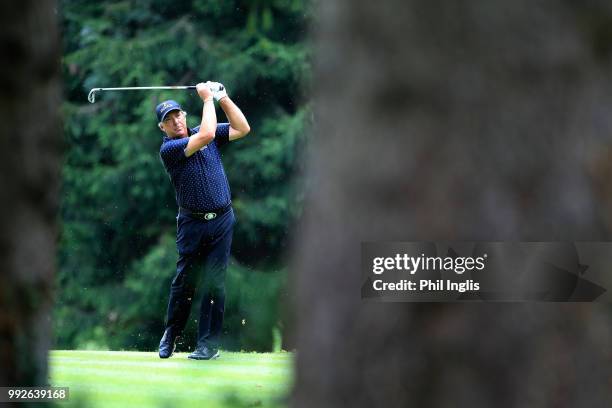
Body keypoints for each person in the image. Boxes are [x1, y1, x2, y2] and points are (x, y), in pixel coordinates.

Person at [156, 81, 250, 360]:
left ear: (185, 115)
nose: (175, 122)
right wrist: (207, 99)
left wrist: (222, 97)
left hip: (222, 220)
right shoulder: (171, 150)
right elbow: (208, 133)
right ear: (162, 128)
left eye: (178, 115)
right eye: (168, 120)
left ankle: (208, 346)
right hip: (192, 224)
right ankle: (171, 333)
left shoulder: (201, 132)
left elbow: (242, 128)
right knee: (185, 282)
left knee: (215, 283)